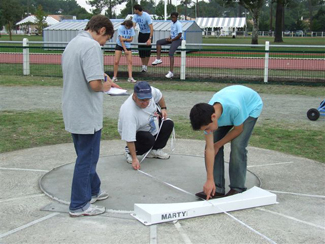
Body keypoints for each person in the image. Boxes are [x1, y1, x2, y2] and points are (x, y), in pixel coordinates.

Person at [62, 15, 120, 217]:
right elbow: (94, 85)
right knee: (87, 159)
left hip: (72, 110)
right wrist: (105, 86)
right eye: (106, 39)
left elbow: (85, 73)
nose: (104, 44)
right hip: (86, 113)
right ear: (102, 30)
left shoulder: (73, 43)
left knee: (84, 156)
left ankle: (94, 190)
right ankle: (79, 205)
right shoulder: (92, 46)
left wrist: (104, 78)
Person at [189, 85, 263, 200]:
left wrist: (218, 144)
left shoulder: (235, 108)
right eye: (205, 130)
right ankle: (217, 188)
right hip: (230, 108)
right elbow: (209, 149)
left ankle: (237, 188)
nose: (207, 131)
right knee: (212, 145)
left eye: (208, 128)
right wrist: (209, 180)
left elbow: (238, 129)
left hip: (250, 107)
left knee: (238, 145)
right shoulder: (206, 118)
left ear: (213, 117)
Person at [118, 81, 174, 170]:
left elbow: (159, 95)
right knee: (148, 139)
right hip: (136, 133)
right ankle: (129, 152)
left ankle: (154, 150)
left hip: (150, 124)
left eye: (147, 99)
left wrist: (163, 108)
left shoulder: (151, 91)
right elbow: (129, 138)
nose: (145, 103)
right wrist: (135, 159)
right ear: (134, 96)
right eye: (142, 100)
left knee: (168, 123)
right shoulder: (129, 112)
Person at [152, 12, 182, 79]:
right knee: (158, 42)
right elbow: (172, 33)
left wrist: (172, 40)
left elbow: (179, 35)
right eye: (172, 17)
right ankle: (158, 59)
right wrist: (169, 38)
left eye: (174, 17)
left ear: (177, 17)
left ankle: (171, 72)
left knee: (171, 53)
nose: (172, 19)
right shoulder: (172, 24)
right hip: (172, 39)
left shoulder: (178, 24)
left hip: (178, 40)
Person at [133, 4, 153, 73]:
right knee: (141, 51)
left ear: (137, 10)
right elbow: (134, 25)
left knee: (147, 51)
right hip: (141, 33)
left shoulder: (146, 16)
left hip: (148, 34)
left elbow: (151, 28)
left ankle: (146, 66)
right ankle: (143, 65)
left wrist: (150, 38)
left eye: (134, 9)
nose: (134, 11)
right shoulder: (135, 16)